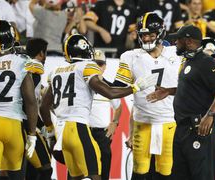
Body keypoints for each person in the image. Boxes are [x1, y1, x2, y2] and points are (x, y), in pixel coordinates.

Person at [39, 34, 157, 179]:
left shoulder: (56, 71)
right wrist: (135, 87)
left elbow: (44, 107)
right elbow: (109, 92)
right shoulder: (86, 66)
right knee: (94, 175)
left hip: (61, 131)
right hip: (78, 128)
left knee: (76, 176)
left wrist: (50, 130)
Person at [146, 24, 215, 180]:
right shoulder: (188, 62)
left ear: (189, 41)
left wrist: (210, 115)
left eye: (178, 40)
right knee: (179, 174)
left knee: (201, 175)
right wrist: (169, 91)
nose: (176, 43)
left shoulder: (206, 62)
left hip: (198, 127)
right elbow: (192, 88)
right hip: (183, 127)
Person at [113, 12, 182, 180]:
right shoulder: (130, 56)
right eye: (144, 35)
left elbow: (190, 86)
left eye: (151, 34)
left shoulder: (176, 54)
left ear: (160, 33)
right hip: (141, 122)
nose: (147, 39)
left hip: (169, 122)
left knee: (166, 172)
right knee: (139, 172)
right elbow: (117, 89)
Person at [0, 20, 38, 180]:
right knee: (16, 174)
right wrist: (32, 134)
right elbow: (30, 101)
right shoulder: (20, 61)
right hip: (12, 124)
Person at [89, 50, 122, 180]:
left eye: (100, 64)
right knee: (78, 171)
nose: (97, 67)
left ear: (105, 66)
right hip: (83, 131)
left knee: (103, 172)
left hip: (102, 134)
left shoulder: (109, 86)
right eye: (94, 63)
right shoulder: (81, 84)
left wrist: (114, 123)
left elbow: (118, 107)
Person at [25, 38, 54, 180]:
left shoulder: (21, 65)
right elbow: (28, 102)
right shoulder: (35, 70)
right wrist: (40, 125)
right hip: (27, 125)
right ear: (41, 53)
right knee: (45, 169)